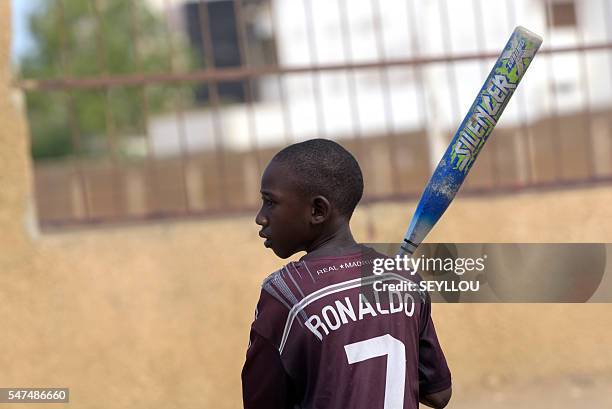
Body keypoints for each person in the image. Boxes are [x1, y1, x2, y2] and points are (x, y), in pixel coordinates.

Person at [242, 139, 452, 409]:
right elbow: (438, 394)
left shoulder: (285, 294)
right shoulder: (405, 280)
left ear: (318, 211)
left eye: (270, 202)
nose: (261, 217)